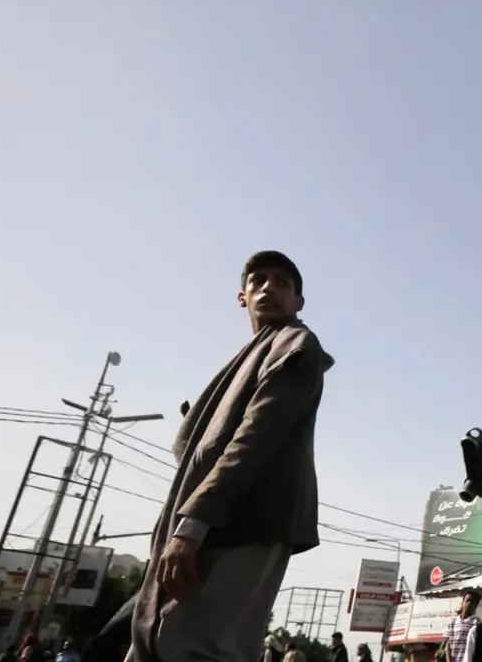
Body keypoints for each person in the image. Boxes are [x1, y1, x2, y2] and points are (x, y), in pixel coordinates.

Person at [126, 250, 335, 662]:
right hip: (215, 517)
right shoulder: (249, 355)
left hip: (247, 521)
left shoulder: (295, 344)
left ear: (299, 301)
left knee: (196, 648)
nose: (268, 288)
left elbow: (254, 440)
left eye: (282, 283)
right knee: (159, 643)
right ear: (242, 297)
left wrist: (191, 527)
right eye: (258, 281)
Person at [444, 592, 482, 662]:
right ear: (463, 602)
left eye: (473, 602)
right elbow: (448, 645)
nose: (470, 603)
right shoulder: (453, 622)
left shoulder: (477, 622)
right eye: (468, 600)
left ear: (476, 605)